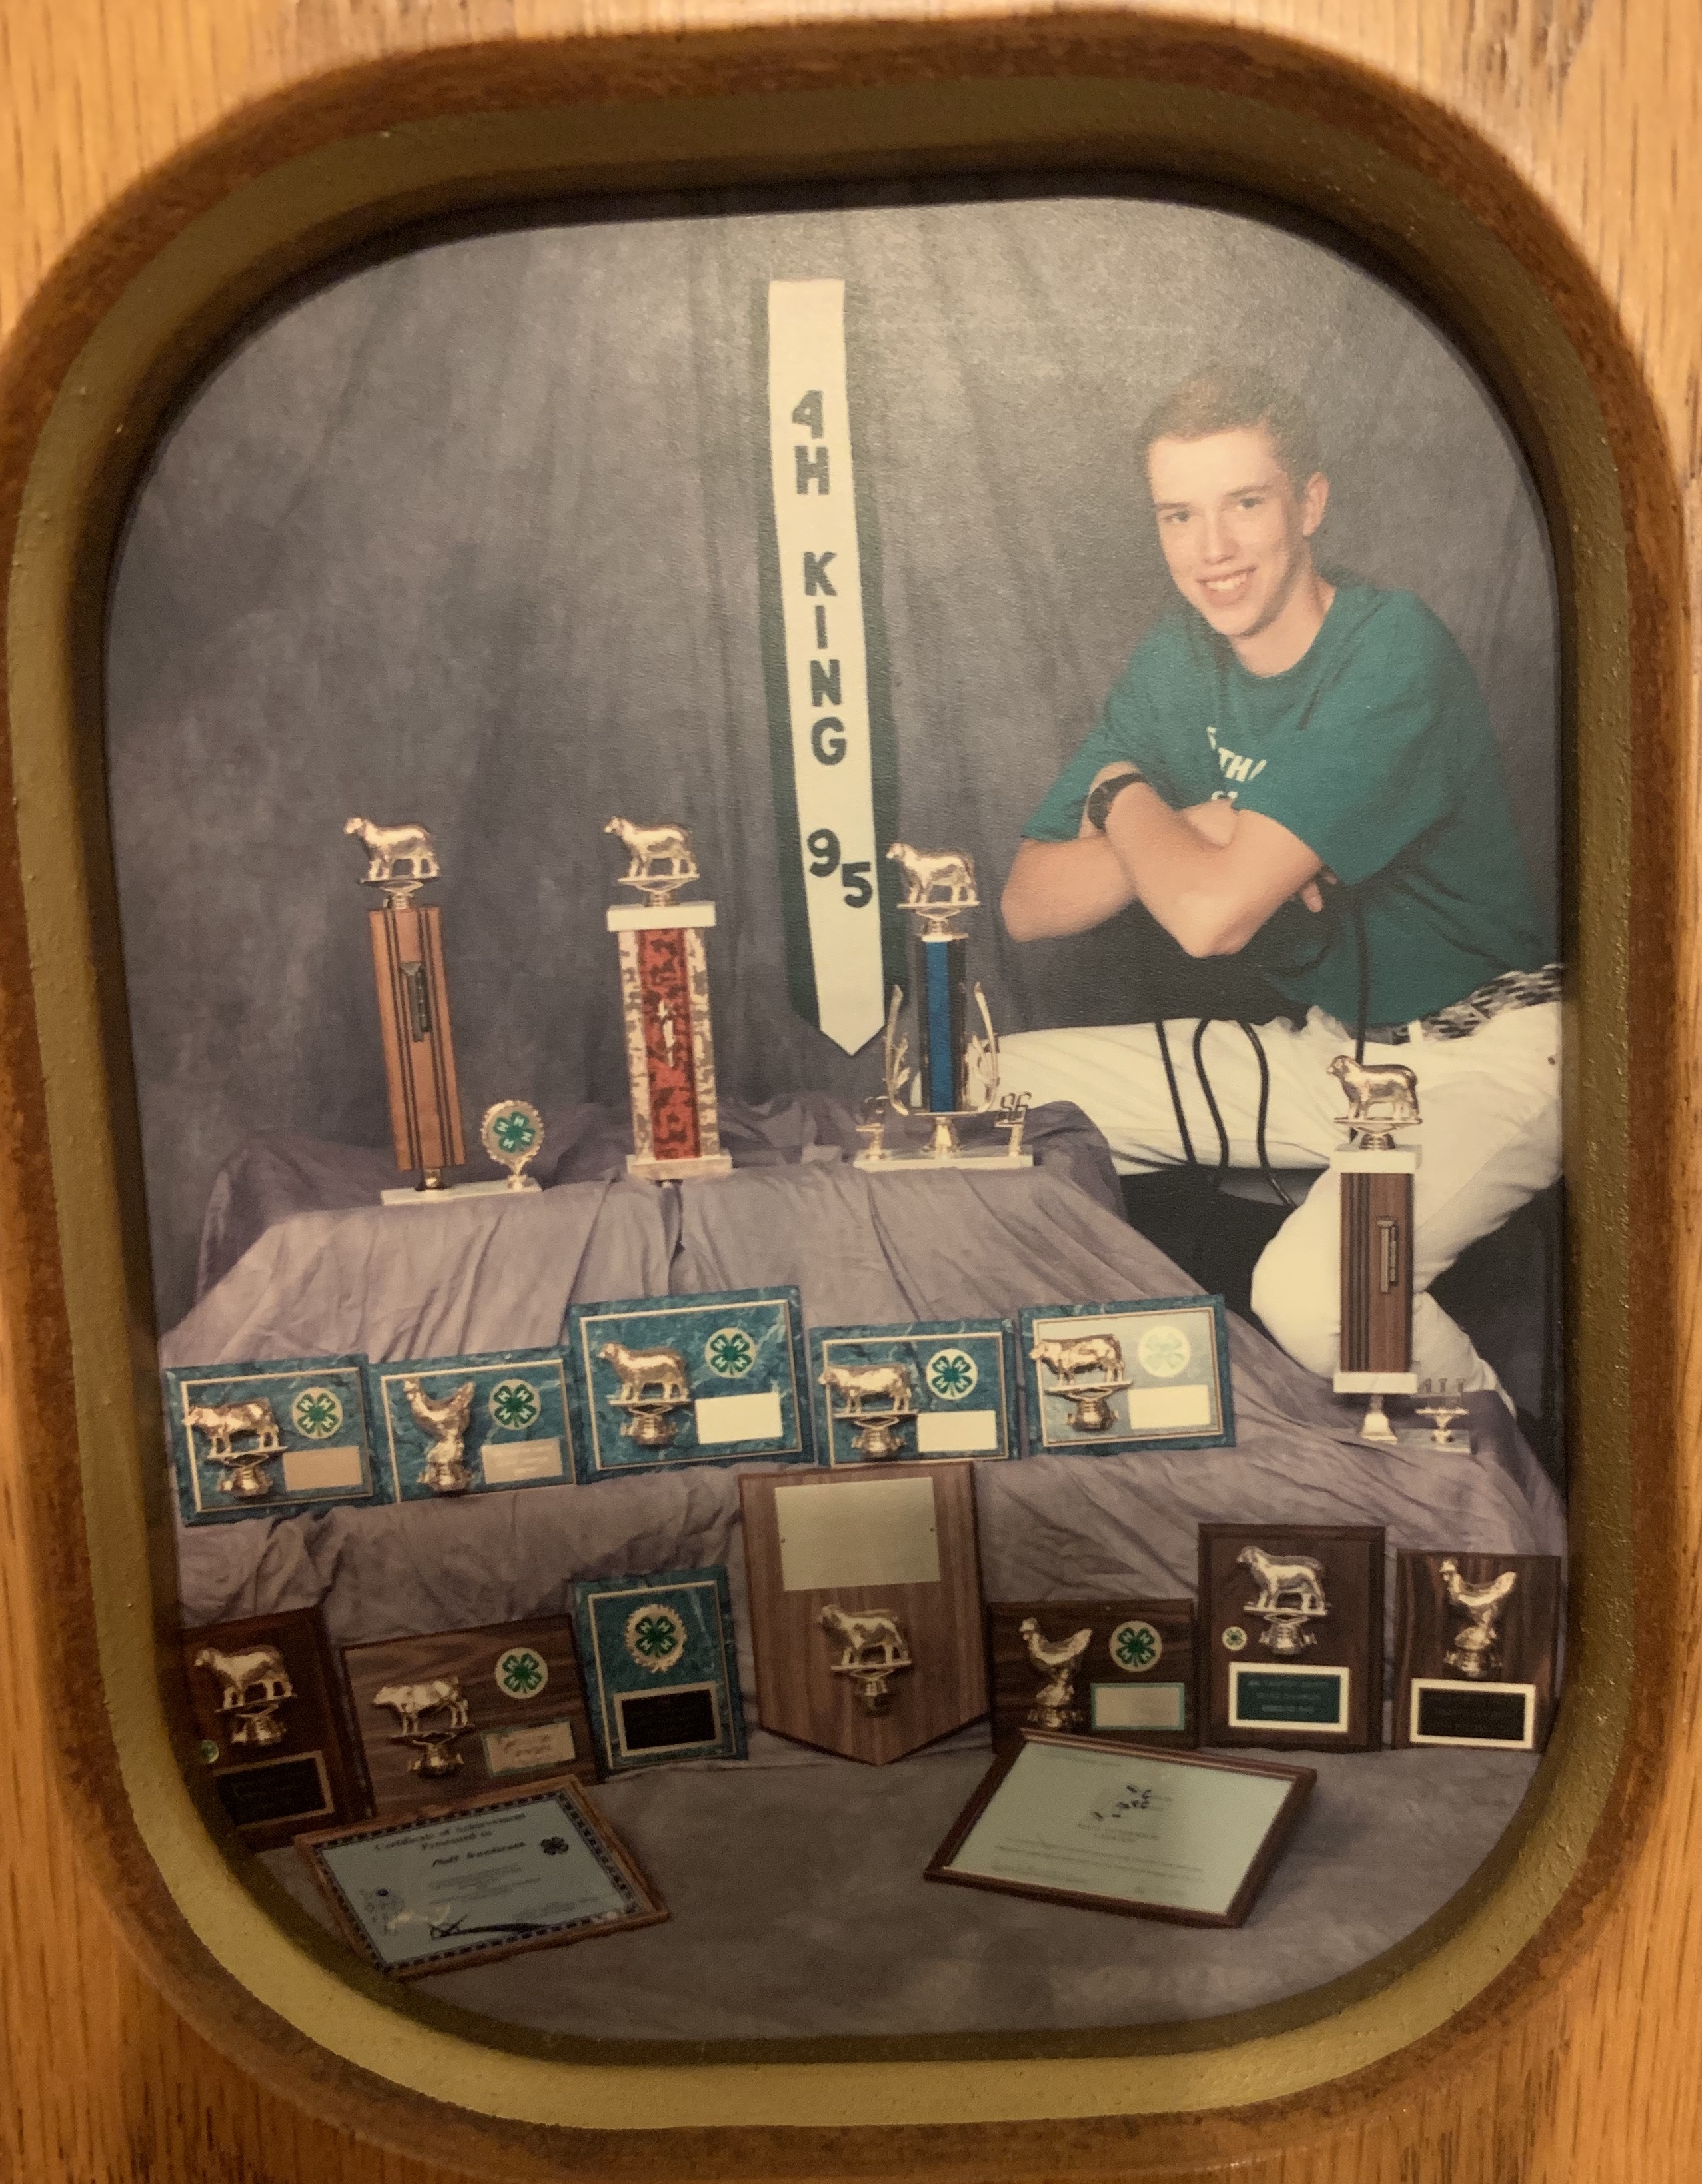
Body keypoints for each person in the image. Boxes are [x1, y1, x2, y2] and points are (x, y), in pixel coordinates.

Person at [997, 366, 1559, 1406]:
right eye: (1179, 514)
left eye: (1244, 504)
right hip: (1330, 1056)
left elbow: (1210, 919)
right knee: (988, 1087)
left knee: (1322, 1292)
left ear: (1307, 503)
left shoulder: (1393, 649)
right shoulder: (1177, 661)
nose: (1210, 552)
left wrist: (1125, 799)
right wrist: (1187, 823)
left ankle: (1492, 1481)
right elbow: (1029, 903)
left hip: (1492, 1057)